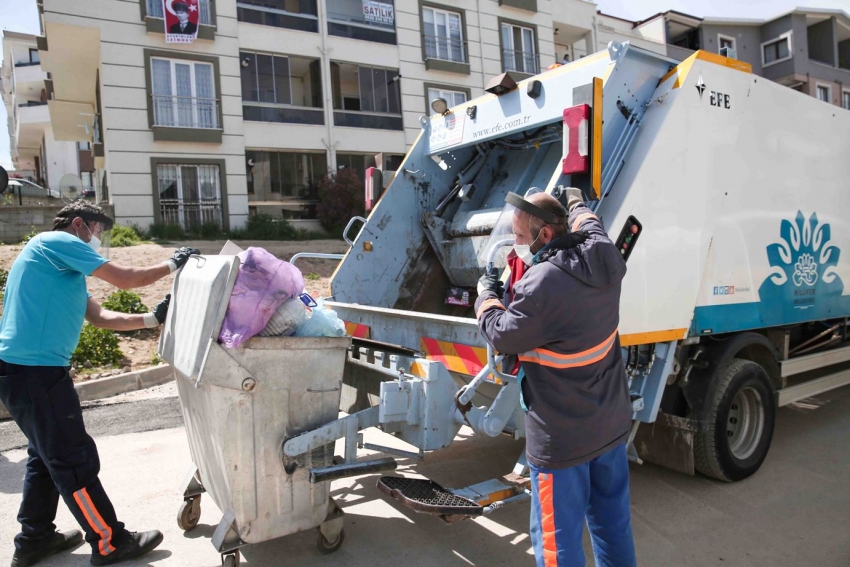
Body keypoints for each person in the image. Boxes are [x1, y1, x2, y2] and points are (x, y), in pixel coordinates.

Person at [0, 202, 200, 566]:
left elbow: (102, 317)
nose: (97, 241)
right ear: (78, 225)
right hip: (35, 372)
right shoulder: (54, 242)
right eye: (96, 231)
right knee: (71, 460)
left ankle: (35, 539)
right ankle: (109, 541)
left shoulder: (59, 265)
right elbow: (125, 278)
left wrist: (153, 318)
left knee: (44, 459)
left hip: (26, 372)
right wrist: (173, 263)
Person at [475, 189, 636, 567]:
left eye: (517, 238)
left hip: (562, 443)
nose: (514, 248)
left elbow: (501, 333)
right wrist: (576, 200)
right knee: (613, 527)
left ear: (544, 235)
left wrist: (486, 296)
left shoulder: (541, 285)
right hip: (610, 427)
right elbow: (589, 222)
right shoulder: (604, 253)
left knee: (557, 546)